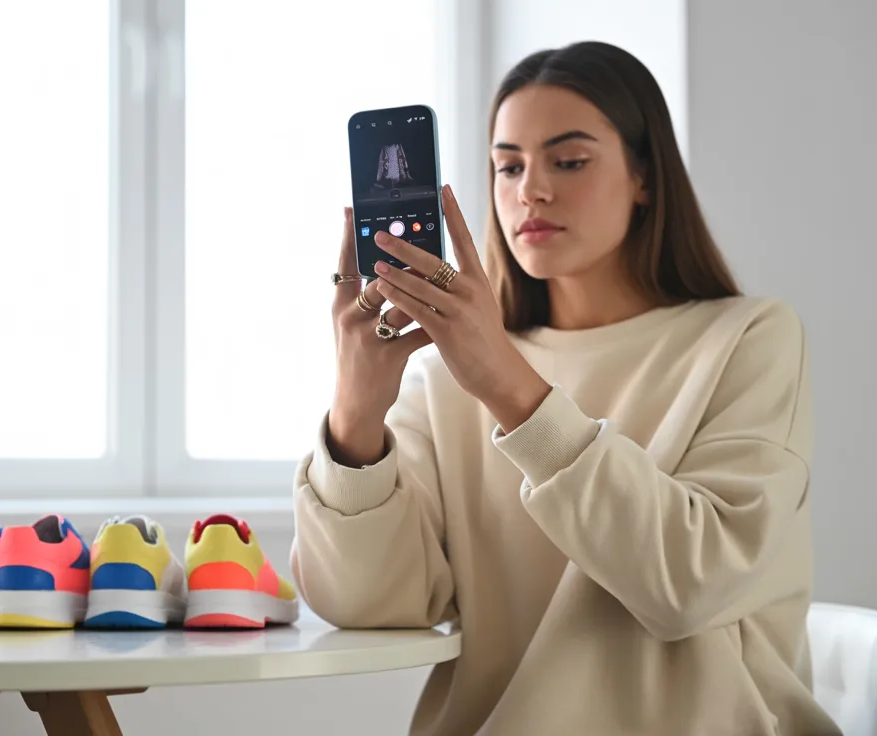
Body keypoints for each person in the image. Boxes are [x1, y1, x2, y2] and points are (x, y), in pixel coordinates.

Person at [291, 40, 841, 736]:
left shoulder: (748, 338)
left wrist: (508, 385)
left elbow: (690, 585)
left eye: (569, 160)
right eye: (507, 166)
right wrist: (357, 413)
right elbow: (369, 603)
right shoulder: (444, 378)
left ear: (645, 176)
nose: (532, 190)